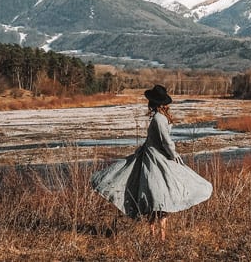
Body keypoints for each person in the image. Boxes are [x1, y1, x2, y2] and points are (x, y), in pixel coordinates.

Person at [90, 84, 213, 240]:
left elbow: (165, 141)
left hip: (156, 158)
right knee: (158, 195)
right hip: (154, 158)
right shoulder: (160, 118)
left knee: (156, 195)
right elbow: (165, 141)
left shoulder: (159, 118)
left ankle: (157, 235)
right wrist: (172, 154)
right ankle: (158, 236)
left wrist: (173, 154)